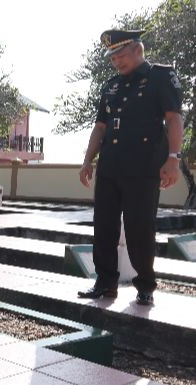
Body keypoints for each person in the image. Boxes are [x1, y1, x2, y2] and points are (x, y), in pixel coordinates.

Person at [78, 29, 184, 306]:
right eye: (112, 58)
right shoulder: (111, 86)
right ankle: (105, 283)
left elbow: (174, 119)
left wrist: (174, 158)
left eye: (121, 56)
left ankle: (145, 284)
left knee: (139, 228)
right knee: (103, 227)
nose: (116, 62)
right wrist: (88, 160)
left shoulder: (160, 77)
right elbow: (100, 127)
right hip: (110, 166)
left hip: (143, 167)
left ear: (138, 50)